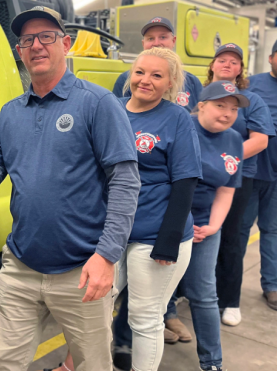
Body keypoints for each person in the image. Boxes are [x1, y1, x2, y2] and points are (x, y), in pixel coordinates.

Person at [0, 6, 141, 371]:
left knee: (93, 365)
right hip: (20, 267)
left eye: (46, 37)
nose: (36, 46)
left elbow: (126, 181)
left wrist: (107, 256)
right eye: (27, 40)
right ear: (19, 51)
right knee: (3, 364)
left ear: (66, 43)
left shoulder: (97, 103)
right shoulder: (11, 112)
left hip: (81, 271)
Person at [55, 48, 203, 371]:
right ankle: (74, 366)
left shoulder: (176, 118)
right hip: (112, 233)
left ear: (170, 83)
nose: (145, 80)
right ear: (129, 75)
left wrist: (169, 240)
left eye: (156, 75)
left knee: (144, 318)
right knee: (92, 306)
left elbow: (186, 182)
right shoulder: (113, 109)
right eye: (140, 72)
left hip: (155, 236)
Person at [180, 80, 248, 371]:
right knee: (155, 294)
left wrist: (212, 227)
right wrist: (182, 225)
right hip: (169, 223)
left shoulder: (234, 139)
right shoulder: (182, 128)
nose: (227, 113)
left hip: (206, 227)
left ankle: (212, 362)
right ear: (201, 105)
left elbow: (226, 190)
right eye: (220, 105)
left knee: (204, 293)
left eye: (233, 109)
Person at [206, 44, 275, 327]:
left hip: (237, 176)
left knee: (232, 237)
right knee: (196, 233)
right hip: (196, 176)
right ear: (212, 64)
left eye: (234, 62)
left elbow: (260, 139)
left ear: (240, 70)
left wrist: (225, 160)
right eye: (222, 59)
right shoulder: (199, 95)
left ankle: (229, 300)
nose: (227, 64)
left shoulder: (251, 100)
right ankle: (191, 291)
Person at [241, 36, 277, 312]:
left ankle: (273, 285)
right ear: (270, 58)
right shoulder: (251, 85)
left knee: (274, 230)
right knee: (238, 231)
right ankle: (225, 283)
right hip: (247, 173)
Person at [112, 16, 203, 112]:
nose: (156, 43)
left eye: (163, 37)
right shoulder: (125, 80)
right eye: (150, 38)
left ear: (173, 41)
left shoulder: (192, 82)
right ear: (143, 44)